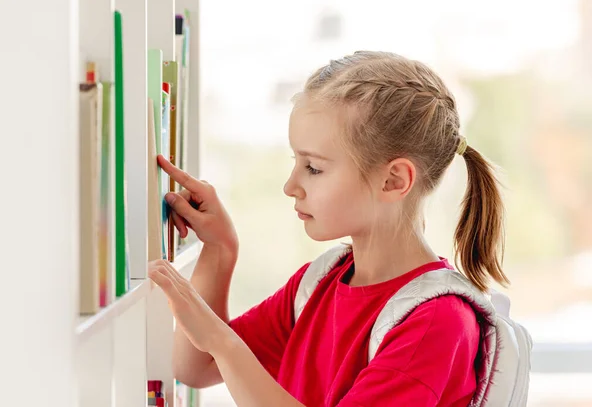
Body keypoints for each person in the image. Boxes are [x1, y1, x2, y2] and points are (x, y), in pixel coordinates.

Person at [149, 51, 510, 406]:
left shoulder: (437, 323)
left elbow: (218, 352)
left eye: (314, 168)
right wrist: (219, 251)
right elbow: (196, 367)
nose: (291, 186)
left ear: (393, 181)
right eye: (297, 162)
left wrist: (221, 341)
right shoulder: (317, 283)